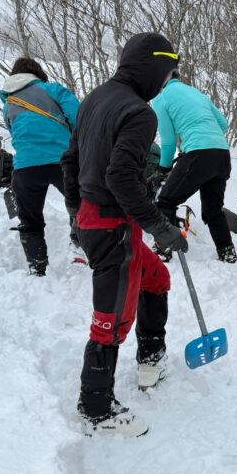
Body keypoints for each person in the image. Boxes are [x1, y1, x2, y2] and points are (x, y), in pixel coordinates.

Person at [62, 32, 188, 437]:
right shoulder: (138, 112)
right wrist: (162, 227)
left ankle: (151, 359)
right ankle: (96, 408)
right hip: (113, 225)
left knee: (156, 278)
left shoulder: (94, 100)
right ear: (151, 66)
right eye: (166, 73)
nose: (165, 82)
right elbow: (119, 177)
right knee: (112, 319)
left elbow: (70, 161)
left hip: (98, 218)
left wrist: (74, 212)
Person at [0, 57, 80, 275]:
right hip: (62, 161)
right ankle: (82, 246)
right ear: (37, 74)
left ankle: (37, 268)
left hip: (26, 167)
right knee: (82, 206)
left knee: (30, 220)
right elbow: (78, 117)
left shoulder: (9, 104)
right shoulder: (53, 89)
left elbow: (14, 131)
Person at [151, 72, 236, 262]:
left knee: (165, 201)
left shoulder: (160, 98)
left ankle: (164, 248)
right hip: (222, 153)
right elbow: (222, 123)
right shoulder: (196, 93)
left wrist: (163, 169)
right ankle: (227, 251)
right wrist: (207, 138)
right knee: (213, 209)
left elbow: (168, 143)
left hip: (199, 154)